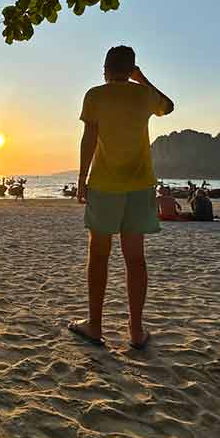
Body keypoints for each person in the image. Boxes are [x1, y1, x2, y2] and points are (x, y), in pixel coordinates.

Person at [72, 45, 174, 350]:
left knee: (99, 256)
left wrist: (81, 179)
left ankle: (94, 324)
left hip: (104, 185)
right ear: (131, 70)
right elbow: (167, 106)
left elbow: (89, 138)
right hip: (140, 186)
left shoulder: (95, 95)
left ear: (105, 69)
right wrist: (141, 79)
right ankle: (135, 330)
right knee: (135, 259)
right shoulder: (143, 96)